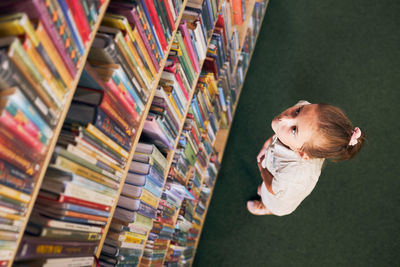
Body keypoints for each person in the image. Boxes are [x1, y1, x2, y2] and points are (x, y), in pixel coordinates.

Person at [247, 100, 365, 216]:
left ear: (302, 153)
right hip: (278, 174)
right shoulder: (306, 114)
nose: (283, 118)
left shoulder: (293, 175)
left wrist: (263, 170)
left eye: (294, 129)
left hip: (280, 196)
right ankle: (263, 191)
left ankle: (266, 207)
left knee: (270, 198)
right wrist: (267, 144)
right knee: (264, 187)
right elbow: (279, 134)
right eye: (297, 111)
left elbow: (273, 188)